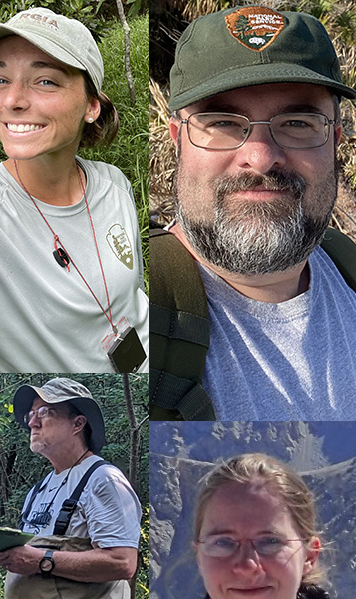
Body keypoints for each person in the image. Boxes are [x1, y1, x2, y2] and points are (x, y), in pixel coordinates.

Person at [150, 6, 356, 420]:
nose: (261, 158)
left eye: (298, 122)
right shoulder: (135, 305)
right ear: (178, 140)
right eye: (223, 122)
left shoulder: (348, 265)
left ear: (334, 140)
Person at [0, 8, 148, 373]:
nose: (12, 100)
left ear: (91, 107)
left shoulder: (114, 184)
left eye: (45, 81)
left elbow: (133, 296)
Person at [148, 453, 356, 599]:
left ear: (309, 556)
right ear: (199, 557)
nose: (247, 565)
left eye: (269, 542)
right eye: (224, 542)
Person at [0, 378, 141, 599]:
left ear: (77, 424)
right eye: (30, 415)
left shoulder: (103, 480)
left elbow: (122, 562)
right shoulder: (38, 490)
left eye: (44, 412)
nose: (33, 422)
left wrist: (40, 561)